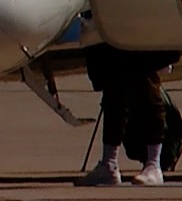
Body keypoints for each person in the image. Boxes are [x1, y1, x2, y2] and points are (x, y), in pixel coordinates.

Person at [75, 47, 174, 186]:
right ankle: (109, 164)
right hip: (113, 41)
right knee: (114, 90)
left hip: (141, 40)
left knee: (146, 86)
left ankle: (154, 165)